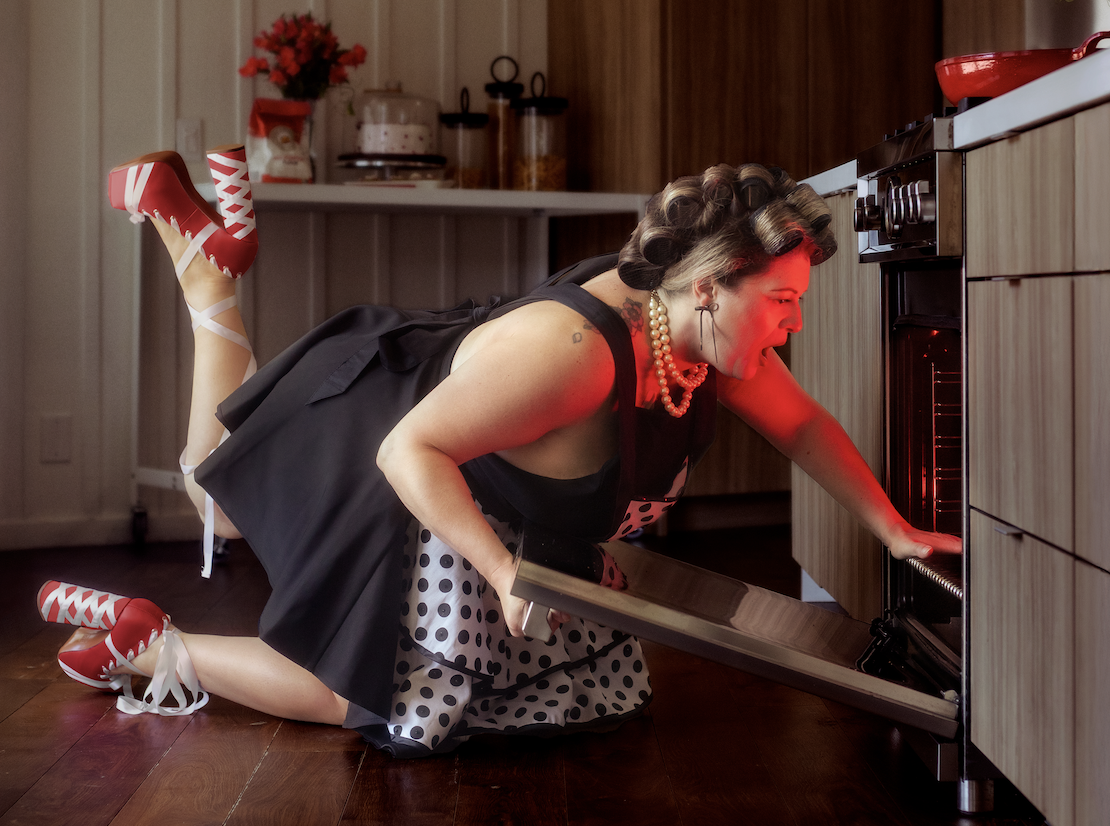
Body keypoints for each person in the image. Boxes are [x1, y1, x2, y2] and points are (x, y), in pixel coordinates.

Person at [38, 148, 960, 756]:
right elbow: (410, 450)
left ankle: (144, 637)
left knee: (529, 695)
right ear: (713, 288)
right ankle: (211, 283)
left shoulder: (704, 331)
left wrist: (893, 530)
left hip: (495, 480)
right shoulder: (573, 358)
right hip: (404, 446)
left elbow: (799, 424)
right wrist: (500, 571)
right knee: (246, 534)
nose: (794, 322)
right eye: (785, 301)